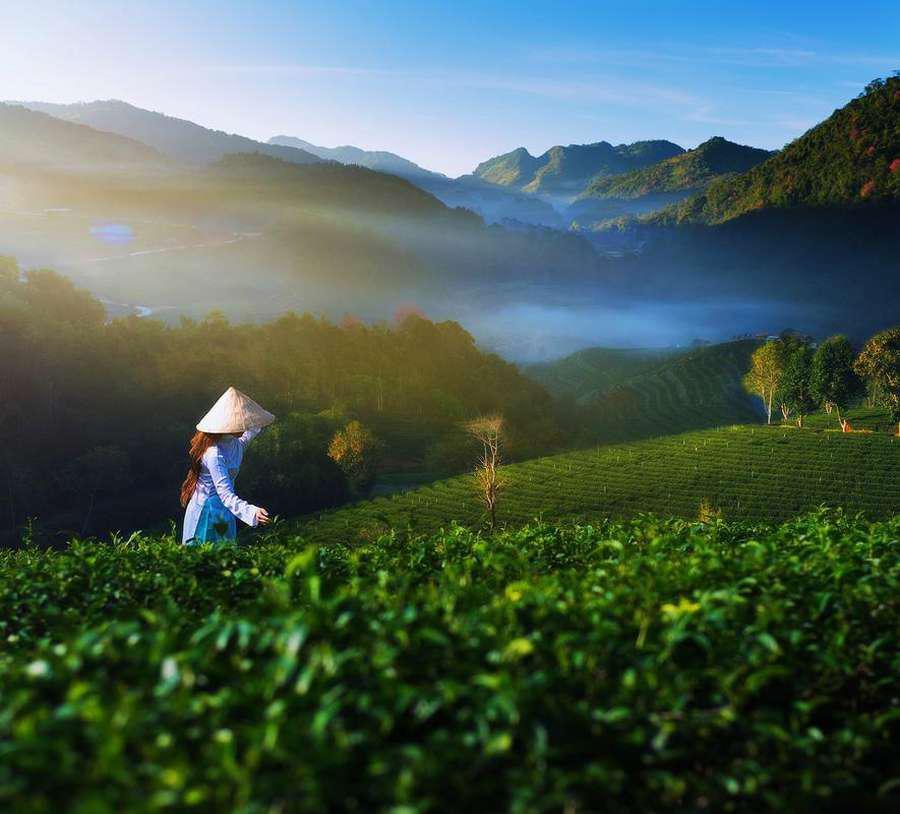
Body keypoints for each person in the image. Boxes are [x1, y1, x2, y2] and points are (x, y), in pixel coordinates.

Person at [181, 386, 275, 545]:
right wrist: (252, 512)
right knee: (203, 554)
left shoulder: (236, 443)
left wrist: (254, 411)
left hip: (225, 509)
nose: (243, 425)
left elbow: (252, 430)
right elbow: (225, 493)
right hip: (206, 511)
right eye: (239, 422)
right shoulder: (214, 453)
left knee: (224, 554)